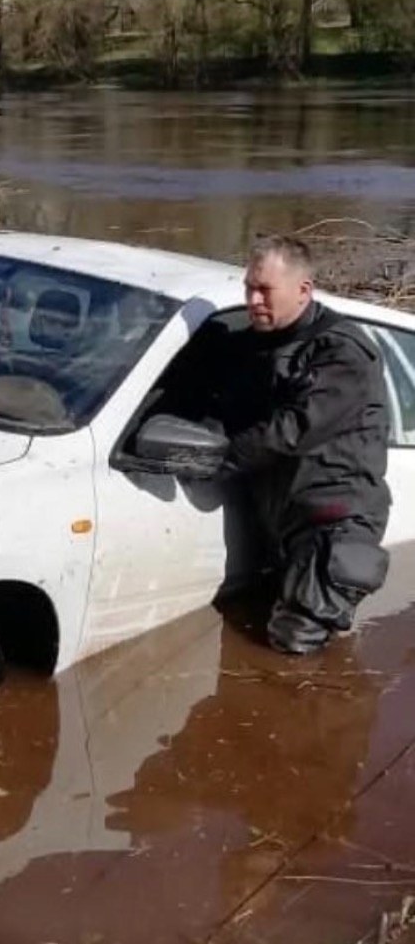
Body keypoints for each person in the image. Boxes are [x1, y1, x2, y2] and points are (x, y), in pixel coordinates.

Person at [165, 235, 392, 654]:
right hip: (277, 518)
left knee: (293, 648)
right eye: (248, 287)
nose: (253, 300)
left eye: (264, 290)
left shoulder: (343, 354)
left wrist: (214, 459)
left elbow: (289, 431)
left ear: (303, 290)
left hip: (332, 523)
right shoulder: (253, 347)